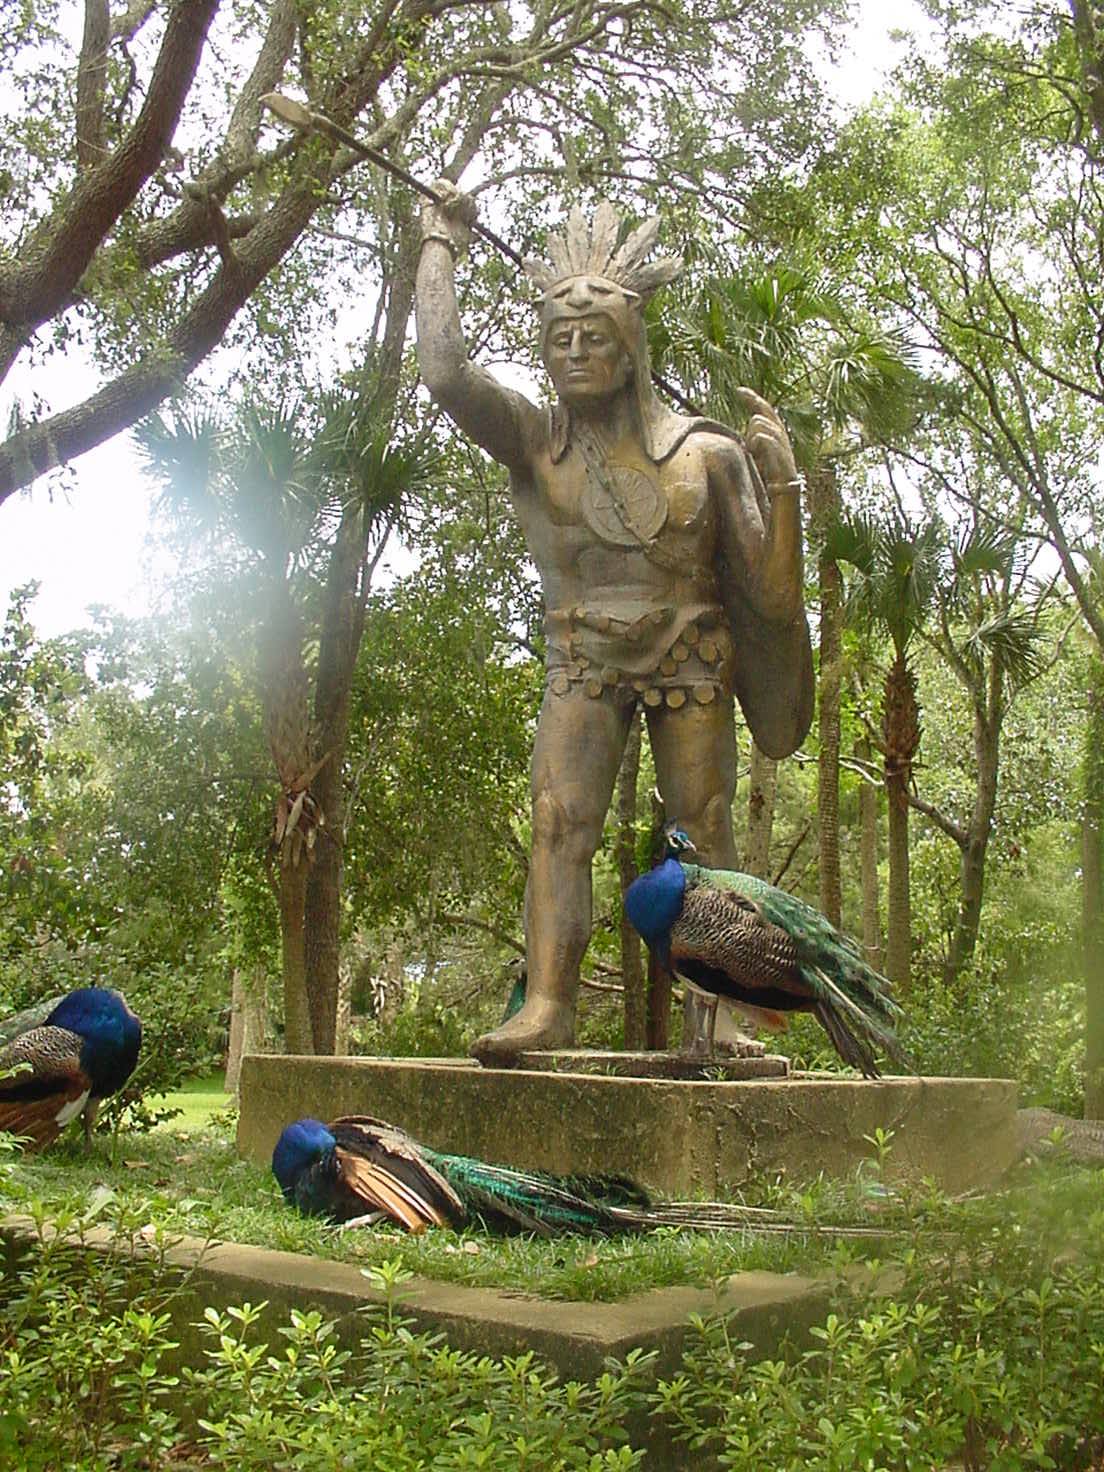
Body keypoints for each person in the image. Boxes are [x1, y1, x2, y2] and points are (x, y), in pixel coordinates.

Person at [415, 191, 813, 1063]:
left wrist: (783, 488)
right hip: (582, 652)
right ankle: (548, 1002)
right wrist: (439, 243)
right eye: (559, 339)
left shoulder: (706, 456)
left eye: (593, 337)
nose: (574, 352)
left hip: (692, 654)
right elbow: (445, 374)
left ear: (632, 346)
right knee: (560, 817)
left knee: (704, 825)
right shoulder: (534, 440)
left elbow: (776, 601)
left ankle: (723, 1018)